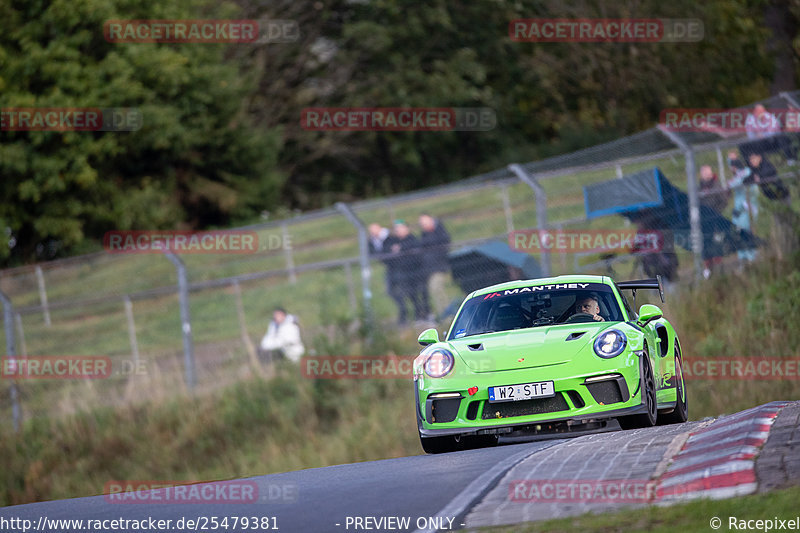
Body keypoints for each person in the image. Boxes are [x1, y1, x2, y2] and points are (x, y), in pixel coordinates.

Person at [383, 220, 426, 326]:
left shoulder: (412, 239)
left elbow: (415, 255)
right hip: (402, 275)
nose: (398, 231)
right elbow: (385, 251)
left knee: (417, 295)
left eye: (400, 228)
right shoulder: (392, 240)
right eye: (397, 229)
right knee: (406, 295)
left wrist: (401, 249)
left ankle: (420, 315)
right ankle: (407, 316)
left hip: (414, 273)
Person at [418, 214, 451, 321]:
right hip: (429, 269)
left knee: (437, 288)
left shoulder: (439, 231)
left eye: (425, 222)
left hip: (439, 267)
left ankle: (447, 314)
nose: (423, 225)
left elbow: (445, 242)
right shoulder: (424, 234)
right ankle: (444, 314)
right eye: (422, 224)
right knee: (435, 291)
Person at [727, 153, 758, 263]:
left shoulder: (743, 172)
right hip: (743, 208)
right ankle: (746, 256)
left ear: (734, 167)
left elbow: (731, 184)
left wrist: (728, 183)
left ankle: (750, 257)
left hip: (746, 208)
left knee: (744, 232)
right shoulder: (744, 172)